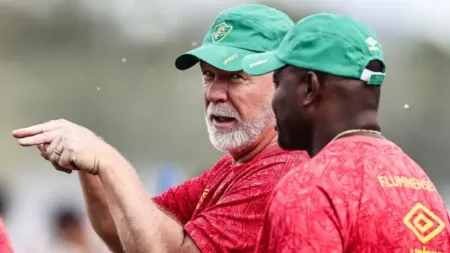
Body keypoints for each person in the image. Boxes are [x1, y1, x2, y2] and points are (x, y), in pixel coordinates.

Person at [12, 4, 309, 253]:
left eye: (235, 77)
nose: (214, 93)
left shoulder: (281, 174)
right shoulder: (234, 168)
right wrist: (88, 161)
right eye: (208, 75)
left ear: (283, 82)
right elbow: (125, 231)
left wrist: (109, 161)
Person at [241, 13, 450, 253]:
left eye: (277, 83)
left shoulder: (309, 190)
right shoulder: (421, 186)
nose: (272, 100)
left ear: (309, 87)